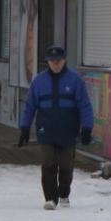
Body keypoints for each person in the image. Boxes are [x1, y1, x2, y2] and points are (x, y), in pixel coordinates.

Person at [18, 45, 95, 209]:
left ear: (64, 60)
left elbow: (85, 106)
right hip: (46, 130)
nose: (55, 64)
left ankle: (64, 193)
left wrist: (87, 128)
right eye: (52, 61)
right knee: (48, 164)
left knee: (66, 166)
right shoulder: (39, 81)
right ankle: (50, 198)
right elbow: (30, 106)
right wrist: (24, 127)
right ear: (47, 62)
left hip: (68, 130)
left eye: (58, 61)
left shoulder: (75, 80)